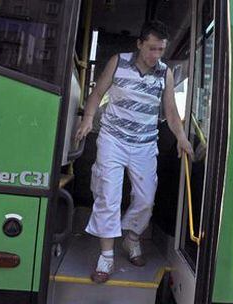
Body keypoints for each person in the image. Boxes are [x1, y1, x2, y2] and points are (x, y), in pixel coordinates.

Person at [75, 20, 194, 284]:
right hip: (112, 140)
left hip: (144, 144)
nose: (155, 55)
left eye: (160, 50)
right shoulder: (118, 62)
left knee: (145, 199)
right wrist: (87, 119)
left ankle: (131, 238)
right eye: (151, 48)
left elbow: (172, 112)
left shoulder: (165, 74)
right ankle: (106, 258)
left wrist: (181, 137)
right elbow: (96, 94)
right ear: (139, 44)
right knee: (109, 196)